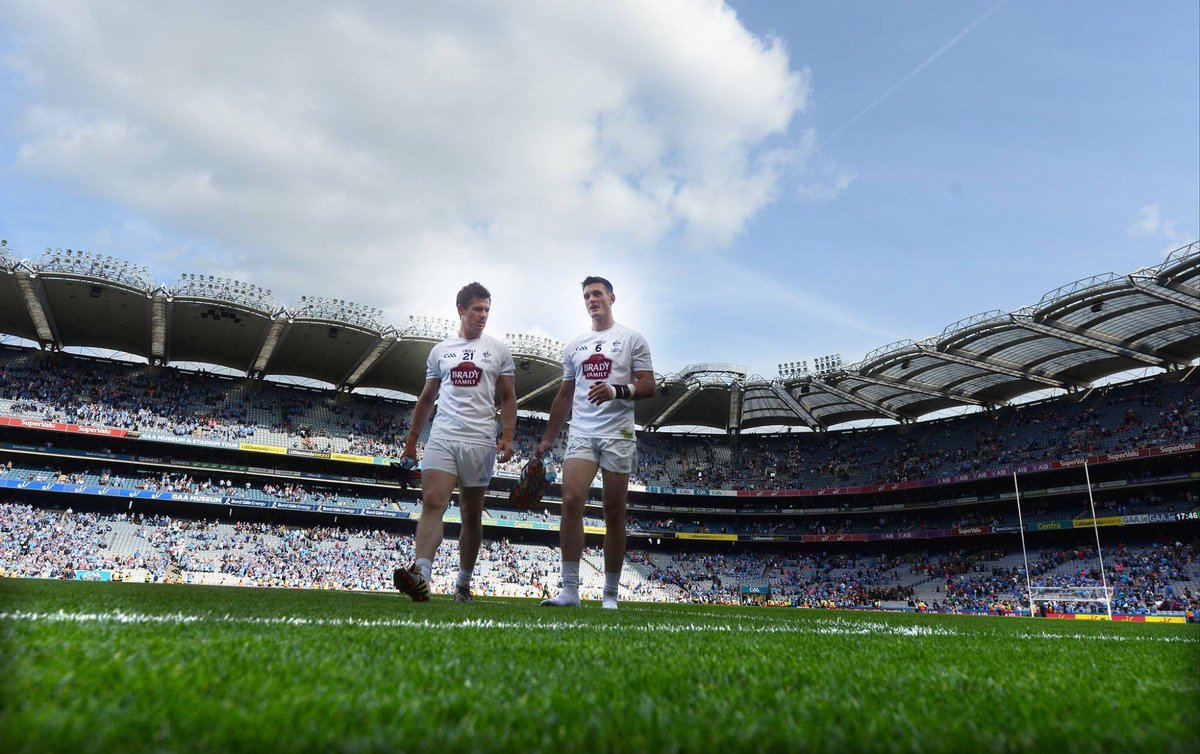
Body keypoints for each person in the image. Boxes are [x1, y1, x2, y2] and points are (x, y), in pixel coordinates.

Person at [393, 282, 517, 603]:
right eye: (477, 309)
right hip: (443, 436)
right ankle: (422, 574)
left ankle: (463, 583)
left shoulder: (499, 351)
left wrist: (507, 436)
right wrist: (411, 442)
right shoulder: (440, 351)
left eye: (487, 309)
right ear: (461, 309)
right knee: (433, 504)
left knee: (470, 514)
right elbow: (426, 399)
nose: (483, 315)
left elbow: (508, 397)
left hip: (479, 440)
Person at [536, 276, 654, 609]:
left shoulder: (632, 339)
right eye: (587, 295)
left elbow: (648, 385)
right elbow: (564, 395)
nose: (592, 299)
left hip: (618, 432)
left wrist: (618, 390)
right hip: (582, 432)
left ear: (611, 298)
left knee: (614, 511)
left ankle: (611, 594)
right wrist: (547, 439)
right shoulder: (575, 345)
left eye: (597, 293)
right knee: (571, 502)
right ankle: (570, 590)